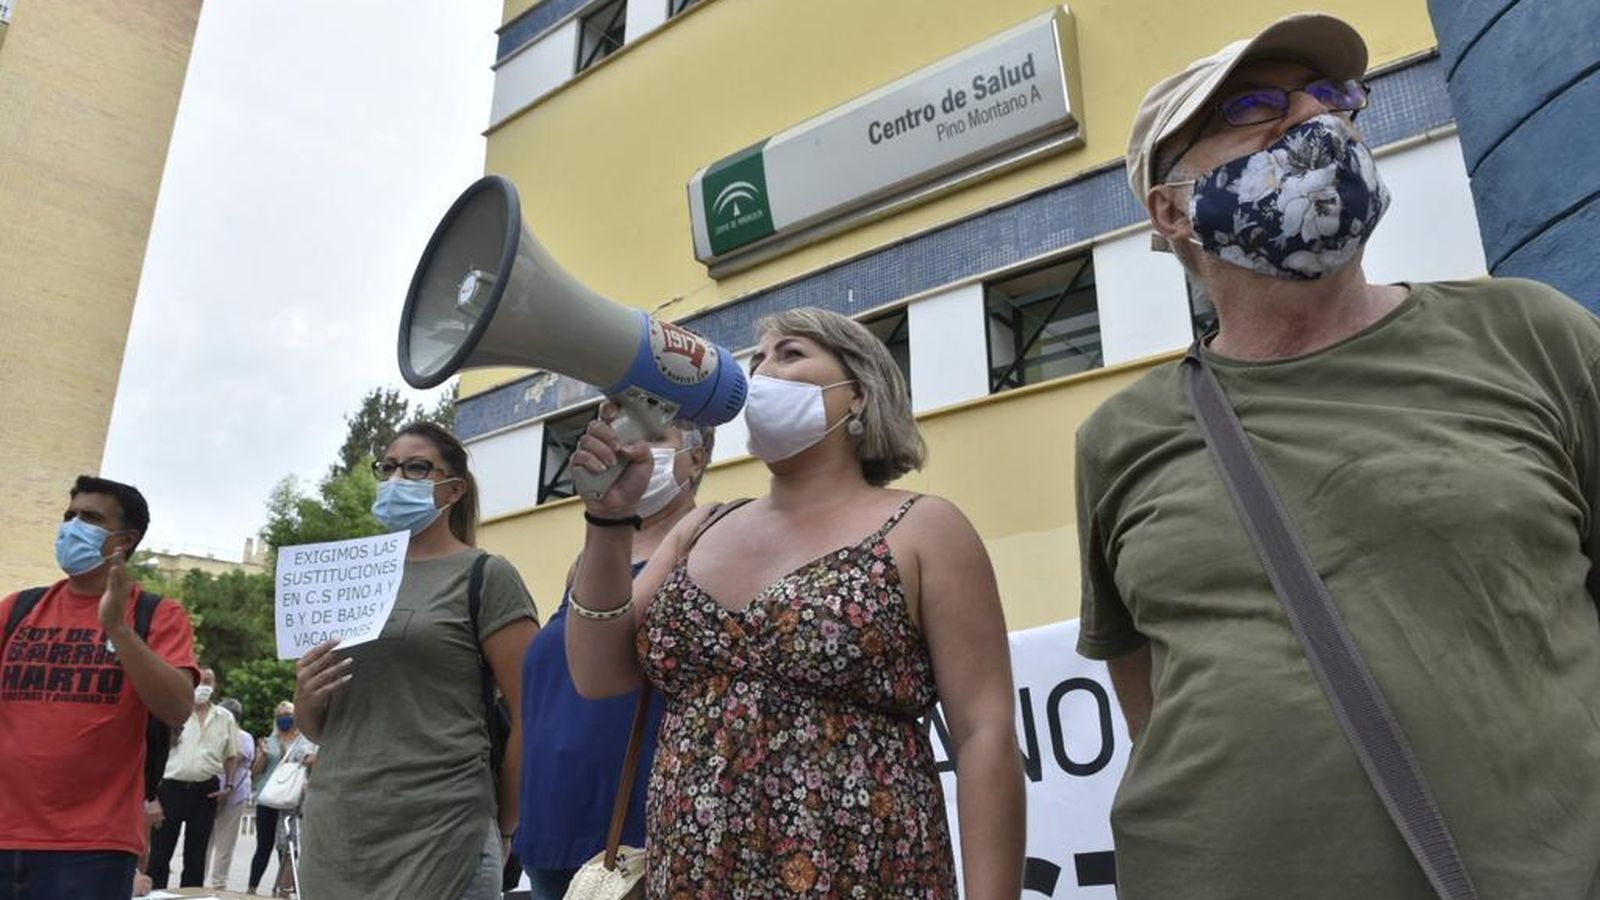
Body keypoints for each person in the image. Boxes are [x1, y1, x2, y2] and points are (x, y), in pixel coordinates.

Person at [1075, 12, 1600, 899]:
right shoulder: (1120, 438)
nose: (1314, 118)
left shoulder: (1528, 333)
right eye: (1253, 106)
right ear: (1171, 211)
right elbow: (1148, 690)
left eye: (1332, 95)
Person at [568, 308, 1026, 897]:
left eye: (790, 354)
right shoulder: (700, 526)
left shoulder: (924, 527)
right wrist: (606, 521)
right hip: (695, 873)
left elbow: (983, 732)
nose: (763, 372)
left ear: (859, 395)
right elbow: (597, 673)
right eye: (757, 360)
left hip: (862, 871)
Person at [293, 421, 540, 899]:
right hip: (339, 831)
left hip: (443, 832)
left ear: (453, 488)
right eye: (387, 467)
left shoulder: (486, 575)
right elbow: (323, 725)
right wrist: (305, 695)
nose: (396, 479)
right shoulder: (347, 579)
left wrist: (505, 824)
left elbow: (532, 713)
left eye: (416, 468)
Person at [514, 423, 713, 900]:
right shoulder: (585, 566)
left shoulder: (710, 546)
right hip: (551, 822)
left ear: (698, 459)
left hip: (636, 834)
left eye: (655, 435)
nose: (631, 448)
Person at [0, 475, 199, 900]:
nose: (72, 527)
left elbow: (178, 707)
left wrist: (118, 629)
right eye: (69, 516)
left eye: (90, 518)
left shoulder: (157, 615)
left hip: (92, 848)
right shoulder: (18, 610)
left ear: (123, 541)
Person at [148, 666, 241, 888]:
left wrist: (229, 785)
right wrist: (152, 796)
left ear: (215, 686)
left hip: (205, 790)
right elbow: (153, 752)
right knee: (160, 854)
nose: (204, 687)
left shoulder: (224, 717)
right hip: (171, 788)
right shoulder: (173, 711)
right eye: (200, 681)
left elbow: (231, 755)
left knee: (196, 857)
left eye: (209, 682)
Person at [247, 699, 298, 895]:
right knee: (264, 846)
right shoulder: (269, 742)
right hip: (267, 799)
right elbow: (255, 772)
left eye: (288, 715)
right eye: (281, 716)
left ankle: (283, 890)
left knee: (286, 847)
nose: (285, 719)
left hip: (291, 800)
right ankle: (251, 889)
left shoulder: (303, 742)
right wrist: (264, 755)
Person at [206, 697, 254, 890]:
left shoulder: (244, 737)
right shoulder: (213, 734)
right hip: (210, 794)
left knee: (225, 845)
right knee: (203, 842)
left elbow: (234, 756)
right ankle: (196, 882)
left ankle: (218, 884)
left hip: (234, 797)